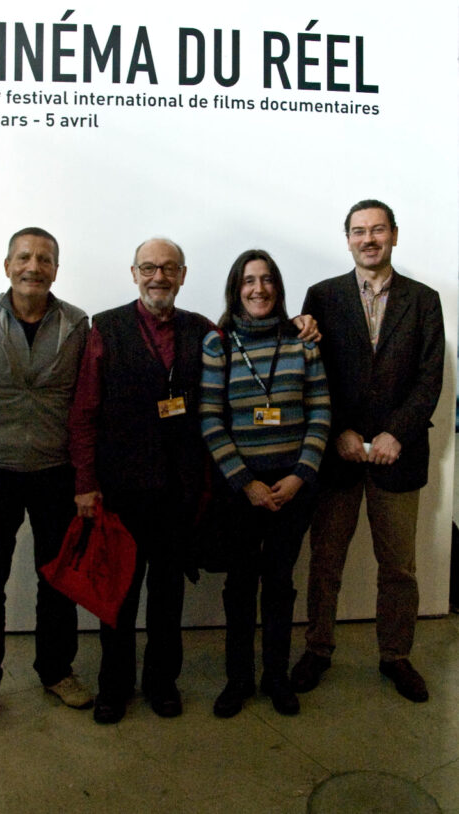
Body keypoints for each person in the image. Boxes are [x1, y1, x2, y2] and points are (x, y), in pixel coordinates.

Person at [69, 238, 319, 725]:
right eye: (148, 268)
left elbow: (253, 337)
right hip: (120, 490)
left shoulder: (205, 332)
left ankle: (162, 684)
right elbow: (83, 412)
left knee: (167, 596)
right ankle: (113, 688)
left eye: (168, 268)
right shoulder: (105, 329)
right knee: (116, 594)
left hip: (176, 494)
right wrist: (85, 482)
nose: (157, 277)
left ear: (183, 275)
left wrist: (300, 324)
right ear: (133, 272)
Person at [291, 200, 445, 703]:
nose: (369, 238)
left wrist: (396, 433)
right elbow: (313, 375)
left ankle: (395, 655)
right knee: (326, 560)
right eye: (359, 231)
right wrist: (338, 430)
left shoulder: (424, 300)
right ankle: (318, 647)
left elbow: (429, 377)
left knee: (398, 567)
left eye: (378, 229)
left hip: (398, 456)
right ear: (348, 239)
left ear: (394, 236)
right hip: (337, 452)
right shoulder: (322, 296)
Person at [0, 227, 92, 734]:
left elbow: (84, 404)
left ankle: (57, 671)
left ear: (56, 269)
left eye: (45, 258)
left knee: (59, 581)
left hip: (56, 474)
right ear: (7, 265)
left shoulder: (77, 324)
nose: (34, 265)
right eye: (25, 257)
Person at [199, 249, 331, 718]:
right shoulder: (219, 345)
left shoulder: (302, 341)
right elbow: (211, 420)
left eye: (267, 280)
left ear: (277, 286)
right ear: (237, 289)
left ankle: (276, 678)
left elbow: (320, 413)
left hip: (293, 488)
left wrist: (301, 475)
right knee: (240, 586)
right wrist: (246, 483)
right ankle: (239, 680)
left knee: (279, 584)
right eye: (248, 281)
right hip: (242, 490)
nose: (258, 289)